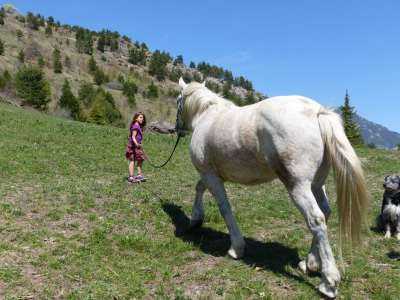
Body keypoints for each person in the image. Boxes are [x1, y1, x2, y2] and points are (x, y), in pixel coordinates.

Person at [125, 112, 147, 183]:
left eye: (143, 118)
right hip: (133, 146)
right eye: (141, 117)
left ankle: (139, 175)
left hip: (137, 146)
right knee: (132, 161)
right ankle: (131, 177)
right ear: (136, 118)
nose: (142, 119)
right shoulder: (135, 126)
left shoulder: (139, 126)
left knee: (140, 159)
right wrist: (137, 144)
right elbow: (133, 137)